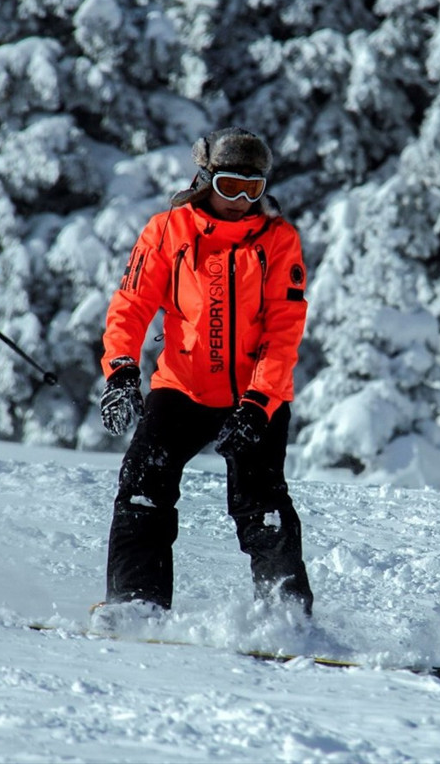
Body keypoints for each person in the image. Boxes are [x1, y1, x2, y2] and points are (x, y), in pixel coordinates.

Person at [96, 126, 314, 628]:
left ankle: (286, 617)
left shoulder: (278, 240)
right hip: (185, 387)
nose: (240, 201)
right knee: (143, 483)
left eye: (252, 189)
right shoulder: (167, 230)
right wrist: (121, 371)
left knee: (261, 503)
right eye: (229, 187)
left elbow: (284, 331)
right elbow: (130, 306)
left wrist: (259, 403)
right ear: (205, 179)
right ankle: (136, 602)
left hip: (256, 396)